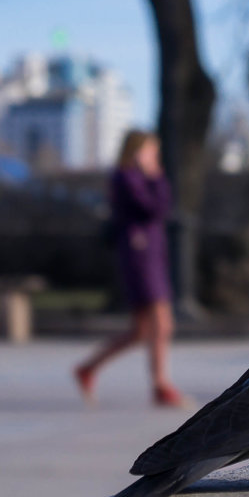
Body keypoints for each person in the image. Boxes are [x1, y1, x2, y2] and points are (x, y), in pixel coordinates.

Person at [74, 130, 190, 408]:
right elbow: (153, 209)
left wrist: (155, 178)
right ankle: (161, 385)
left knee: (141, 331)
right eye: (150, 151)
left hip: (151, 254)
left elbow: (163, 208)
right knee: (162, 324)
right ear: (136, 151)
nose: (154, 158)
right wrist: (155, 177)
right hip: (140, 256)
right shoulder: (126, 177)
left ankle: (88, 368)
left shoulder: (138, 177)